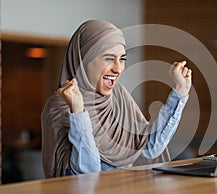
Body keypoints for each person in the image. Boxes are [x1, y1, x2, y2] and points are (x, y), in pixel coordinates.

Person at [41, 20, 192, 178]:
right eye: (109, 58)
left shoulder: (118, 95)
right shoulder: (60, 105)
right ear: (83, 59)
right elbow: (87, 175)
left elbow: (149, 148)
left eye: (122, 59)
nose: (118, 68)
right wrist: (78, 113)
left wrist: (180, 92)